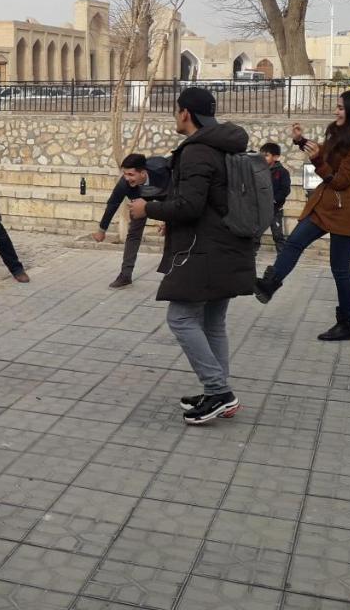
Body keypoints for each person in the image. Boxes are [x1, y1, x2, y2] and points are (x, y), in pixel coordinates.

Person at [128, 87, 254, 424]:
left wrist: (147, 208)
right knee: (213, 322)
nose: (175, 116)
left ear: (185, 113)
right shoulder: (223, 145)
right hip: (229, 245)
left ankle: (219, 392)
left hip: (206, 250)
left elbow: (190, 205)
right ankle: (218, 393)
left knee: (181, 318)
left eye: (176, 110)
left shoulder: (197, 151)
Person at [253, 89, 350, 342]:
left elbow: (339, 181)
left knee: (340, 269)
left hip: (346, 208)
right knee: (294, 242)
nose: (336, 111)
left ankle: (346, 324)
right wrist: (301, 141)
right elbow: (325, 151)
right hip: (325, 205)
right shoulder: (341, 134)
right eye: (336, 106)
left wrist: (317, 162)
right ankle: (270, 284)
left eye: (340, 108)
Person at [92, 153, 172, 288]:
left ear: (143, 173)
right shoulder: (126, 183)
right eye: (125, 174)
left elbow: (177, 196)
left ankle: (172, 273)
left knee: (173, 231)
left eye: (130, 174)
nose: (127, 178)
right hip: (140, 198)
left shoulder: (162, 171)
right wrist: (102, 230)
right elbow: (113, 203)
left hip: (166, 195)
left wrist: (168, 220)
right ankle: (125, 275)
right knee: (134, 233)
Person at [259, 142, 292, 252]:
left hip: (275, 210)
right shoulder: (258, 171)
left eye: (266, 155)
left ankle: (281, 261)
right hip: (259, 209)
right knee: (254, 236)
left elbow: (285, 190)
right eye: (262, 155)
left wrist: (274, 199)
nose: (263, 158)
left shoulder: (282, 172)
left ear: (276, 157)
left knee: (278, 236)